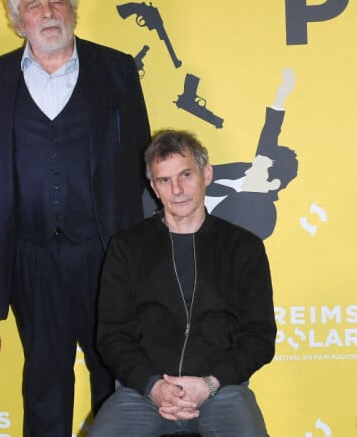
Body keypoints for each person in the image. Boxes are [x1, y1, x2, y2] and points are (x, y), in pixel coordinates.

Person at [0, 0, 151, 436]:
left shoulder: (115, 69)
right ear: (18, 19)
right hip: (31, 257)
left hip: (105, 251)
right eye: (34, 4)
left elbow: (139, 158)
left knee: (113, 377)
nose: (47, 12)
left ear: (71, 8)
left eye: (55, 0)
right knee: (45, 382)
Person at [89, 130, 276, 437]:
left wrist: (210, 383)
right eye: (165, 180)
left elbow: (259, 336)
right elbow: (113, 335)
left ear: (206, 174)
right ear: (154, 187)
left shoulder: (244, 247)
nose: (176, 189)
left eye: (186, 175)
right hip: (142, 393)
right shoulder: (127, 247)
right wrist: (154, 386)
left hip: (222, 391)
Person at [205, 67, 298, 240]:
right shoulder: (244, 171)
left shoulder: (264, 216)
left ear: (273, 184)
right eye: (254, 164)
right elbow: (269, 136)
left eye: (257, 169)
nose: (249, 170)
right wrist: (281, 97)